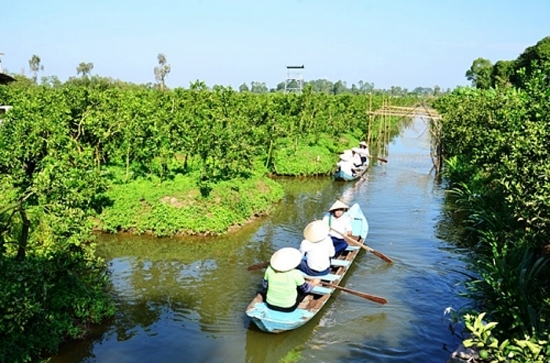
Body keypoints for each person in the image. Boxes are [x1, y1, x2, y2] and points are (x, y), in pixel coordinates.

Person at [262, 247, 313, 312]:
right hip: (289, 307)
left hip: (270, 304)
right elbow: (306, 290)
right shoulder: (295, 273)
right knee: (301, 290)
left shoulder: (269, 269)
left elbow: (264, 286)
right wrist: (313, 284)